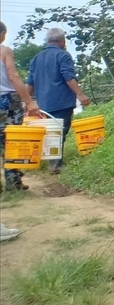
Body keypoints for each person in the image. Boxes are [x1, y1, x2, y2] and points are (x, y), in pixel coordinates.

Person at [27, 28, 90, 174]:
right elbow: (68, 76)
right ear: (62, 41)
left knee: (51, 131)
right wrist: (80, 95)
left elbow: (30, 81)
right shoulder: (63, 55)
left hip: (43, 102)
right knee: (59, 131)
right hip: (61, 100)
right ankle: (55, 165)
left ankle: (53, 161)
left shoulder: (37, 57)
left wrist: (26, 101)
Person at [1, 21, 40, 231]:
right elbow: (13, 76)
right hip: (6, 101)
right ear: (3, 34)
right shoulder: (4, 51)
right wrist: (29, 101)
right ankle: (13, 182)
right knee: (11, 142)